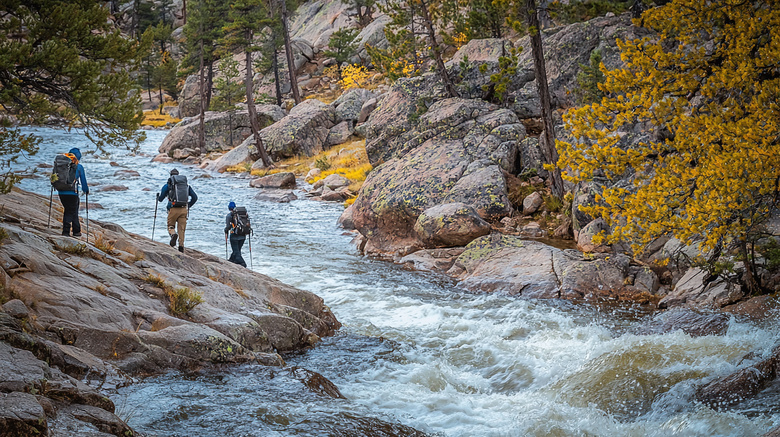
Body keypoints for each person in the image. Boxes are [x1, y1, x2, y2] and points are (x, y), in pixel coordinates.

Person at [157, 169, 197, 253]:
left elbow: (161, 199)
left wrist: (158, 197)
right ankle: (181, 247)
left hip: (173, 208)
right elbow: (195, 197)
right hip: (184, 209)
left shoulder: (168, 185)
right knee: (181, 229)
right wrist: (189, 205)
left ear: (170, 175)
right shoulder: (186, 186)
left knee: (170, 225)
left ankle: (173, 234)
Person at [55, 147, 89, 237]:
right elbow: (84, 182)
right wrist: (86, 190)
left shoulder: (62, 165)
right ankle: (66, 231)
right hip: (72, 193)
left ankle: (76, 231)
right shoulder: (79, 167)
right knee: (71, 211)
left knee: (70, 210)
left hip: (61, 192)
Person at [224, 201, 247, 267]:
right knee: (237, 250)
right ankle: (232, 260)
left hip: (234, 236)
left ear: (229, 208)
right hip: (243, 235)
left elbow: (228, 226)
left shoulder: (229, 216)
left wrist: (226, 231)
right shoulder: (243, 215)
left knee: (236, 252)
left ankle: (243, 264)